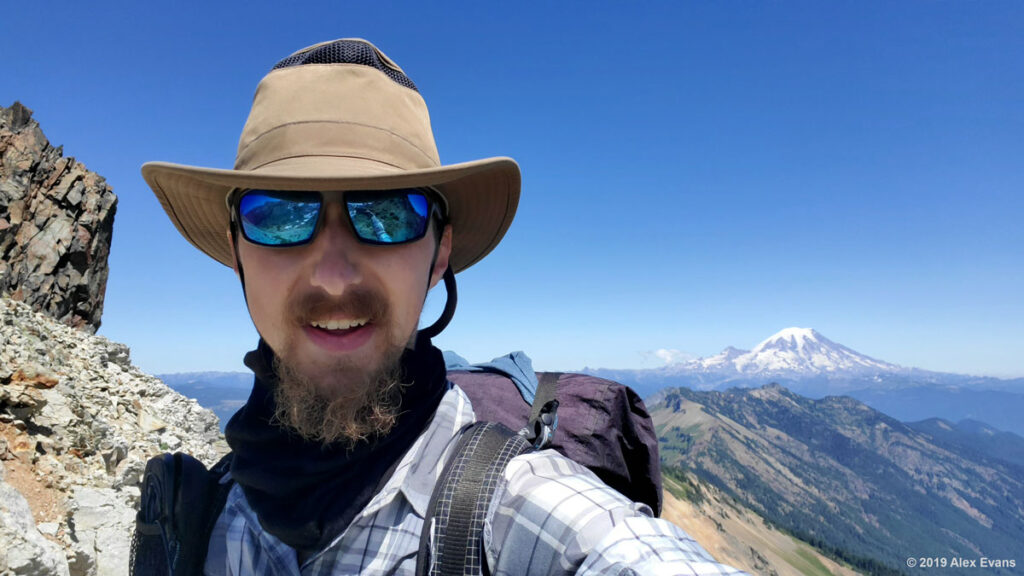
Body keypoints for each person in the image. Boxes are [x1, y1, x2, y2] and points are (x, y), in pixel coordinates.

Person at [142, 38, 747, 575]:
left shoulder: (519, 510)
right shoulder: (201, 517)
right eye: (276, 214)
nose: (331, 276)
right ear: (237, 251)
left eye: (387, 214)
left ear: (439, 255)